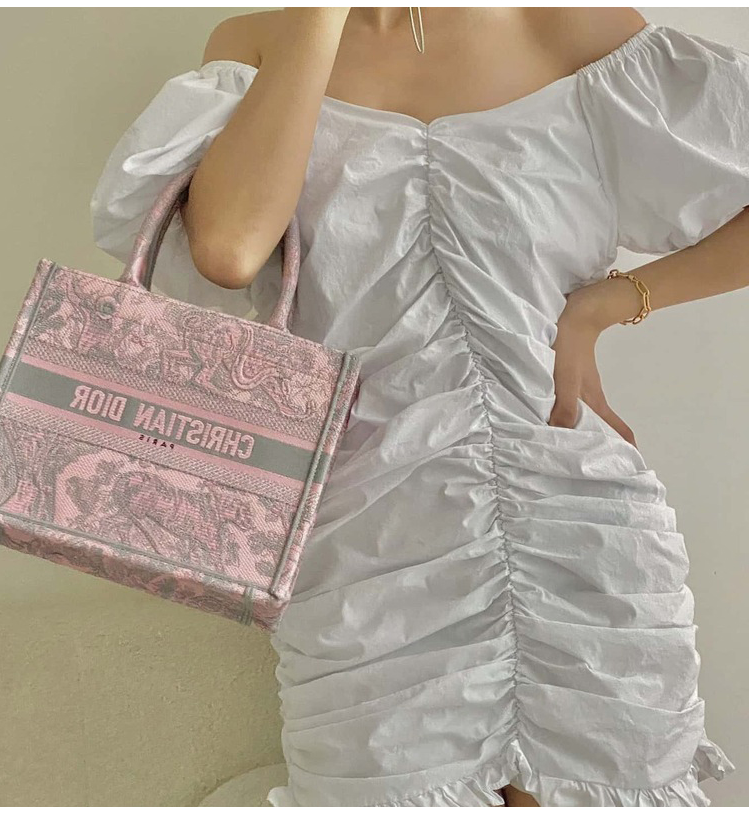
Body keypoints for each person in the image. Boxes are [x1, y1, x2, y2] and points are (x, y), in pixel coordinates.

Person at [89, 7, 745, 807]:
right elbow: (229, 250)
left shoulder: (571, 28)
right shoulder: (262, 42)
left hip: (574, 517)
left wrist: (613, 301)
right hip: (366, 543)